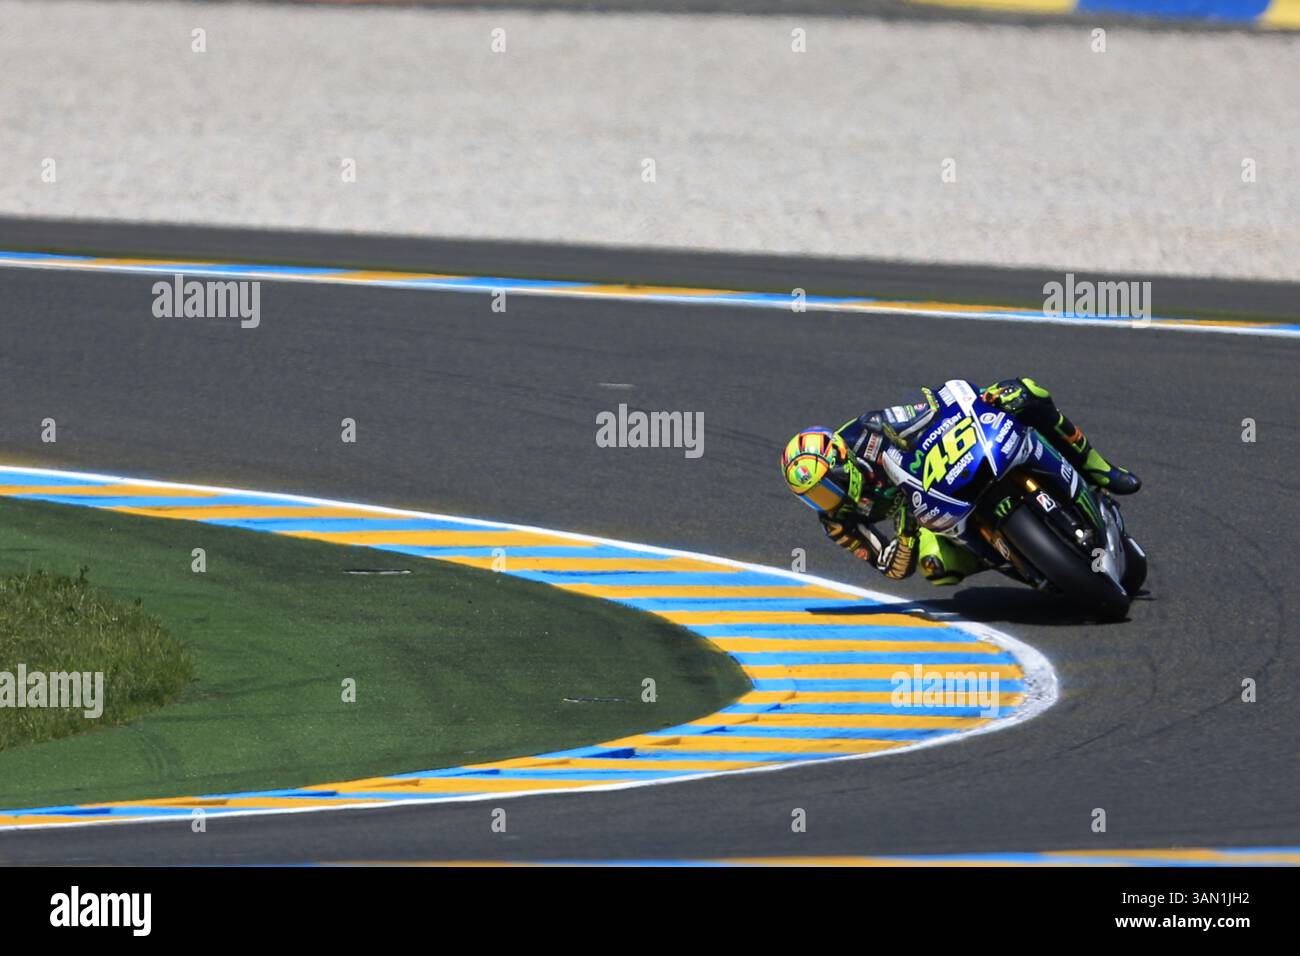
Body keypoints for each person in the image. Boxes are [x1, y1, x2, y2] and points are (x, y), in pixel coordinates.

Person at [780, 378, 1141, 585]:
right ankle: (1014, 559)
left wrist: (980, 399)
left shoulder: (866, 431)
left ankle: (1097, 467)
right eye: (812, 497)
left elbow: (930, 410)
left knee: (1026, 392)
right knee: (935, 569)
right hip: (926, 519)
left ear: (842, 463)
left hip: (943, 466)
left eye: (825, 487)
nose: (824, 500)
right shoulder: (836, 521)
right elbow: (891, 568)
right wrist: (906, 535)